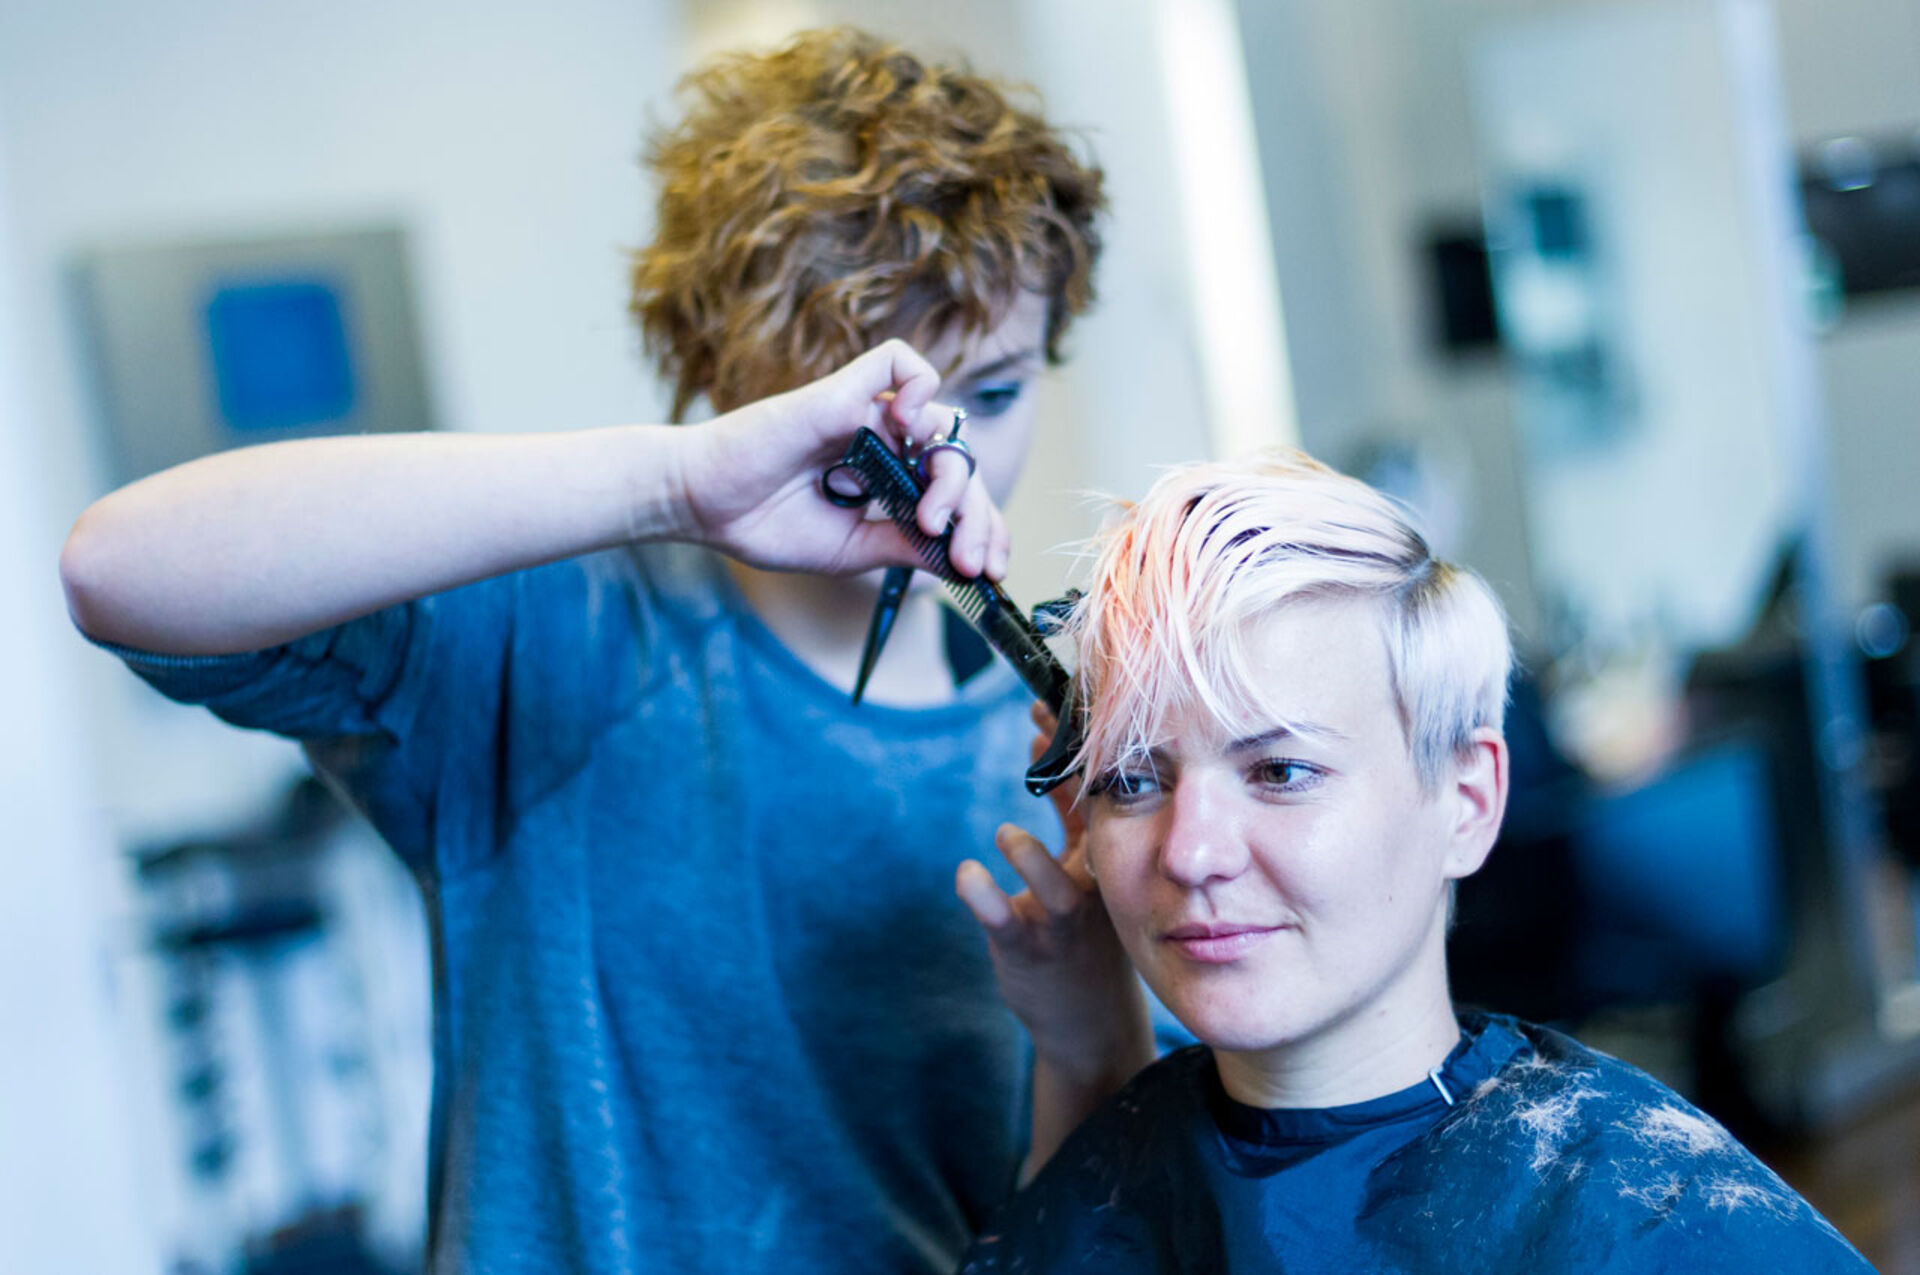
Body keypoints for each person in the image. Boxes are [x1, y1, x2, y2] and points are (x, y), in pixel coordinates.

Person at [59, 28, 1136, 1275]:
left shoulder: (1081, 765)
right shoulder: (553, 648)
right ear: (723, 376)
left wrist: (1096, 1042)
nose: (943, 462)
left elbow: (1114, 1229)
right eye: (866, 409)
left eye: (993, 394)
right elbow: (116, 569)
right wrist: (673, 485)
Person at [955, 450, 1873, 1272]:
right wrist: (1086, 1051)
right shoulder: (1103, 1174)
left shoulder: (1653, 1219)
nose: (1189, 852)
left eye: (1280, 771)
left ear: (1466, 802)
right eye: (1130, 780)